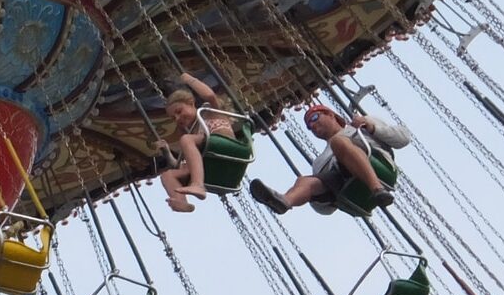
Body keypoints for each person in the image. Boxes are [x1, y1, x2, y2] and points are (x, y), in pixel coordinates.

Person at [249, 105, 408, 217]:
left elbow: (403, 138)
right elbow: (325, 210)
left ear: (331, 115)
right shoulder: (320, 161)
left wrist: (372, 128)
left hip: (379, 165)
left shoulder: (360, 125)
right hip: (346, 183)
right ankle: (284, 201)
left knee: (339, 142)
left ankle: (377, 188)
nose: (313, 125)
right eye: (309, 126)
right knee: (305, 181)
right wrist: (322, 200)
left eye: (315, 117)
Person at [158, 73, 243, 213]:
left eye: (179, 111)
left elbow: (210, 95)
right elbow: (181, 166)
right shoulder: (193, 133)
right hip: (208, 156)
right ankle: (181, 201)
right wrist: (166, 151)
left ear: (191, 103)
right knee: (168, 175)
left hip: (222, 142)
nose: (178, 118)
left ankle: (198, 184)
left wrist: (190, 80)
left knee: (186, 139)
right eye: (174, 117)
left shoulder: (208, 111)